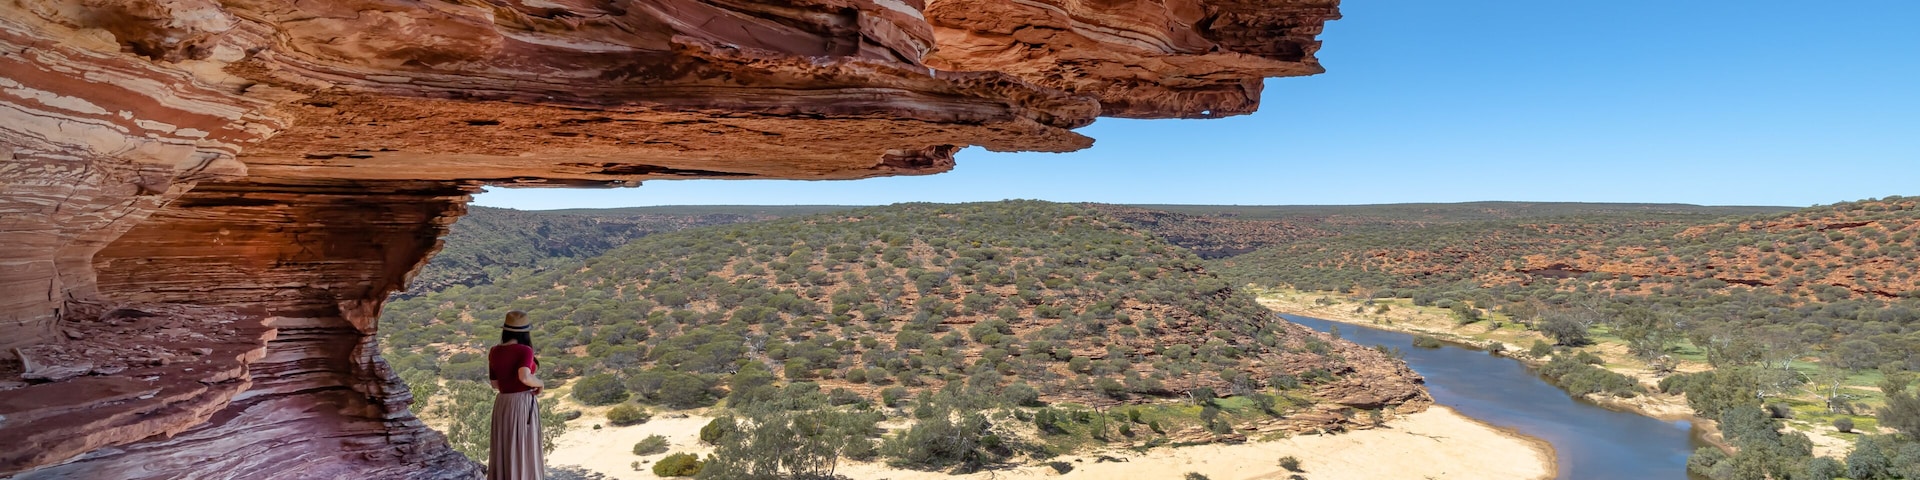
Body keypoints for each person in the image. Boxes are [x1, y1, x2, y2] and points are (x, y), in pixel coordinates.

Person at [488, 310, 545, 479]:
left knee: (504, 446)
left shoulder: (494, 351)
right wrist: (541, 383)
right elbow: (524, 377)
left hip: (503, 404)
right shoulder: (524, 350)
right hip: (521, 403)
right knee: (523, 446)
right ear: (525, 332)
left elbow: (495, 384)